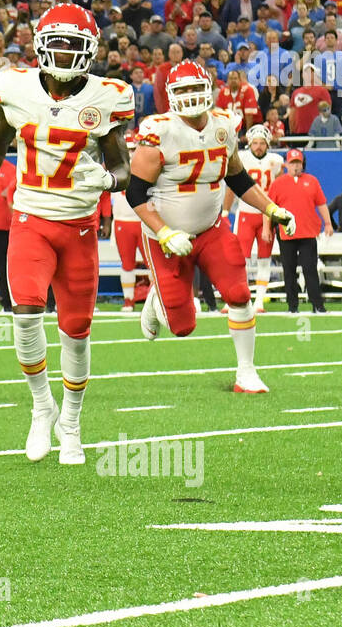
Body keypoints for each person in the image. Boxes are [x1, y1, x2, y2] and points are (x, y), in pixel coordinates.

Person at [0, 2, 133, 465]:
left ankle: (71, 423)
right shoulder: (14, 85)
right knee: (26, 312)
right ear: (39, 46)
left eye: (76, 46)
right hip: (30, 215)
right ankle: (41, 405)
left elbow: (124, 167)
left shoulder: (107, 95)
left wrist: (109, 181)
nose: (67, 53)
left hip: (78, 225)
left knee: (76, 330)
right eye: (59, 44)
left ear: (91, 51)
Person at [131, 60, 296, 393]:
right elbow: (135, 193)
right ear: (170, 96)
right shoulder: (159, 130)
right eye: (183, 90)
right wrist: (165, 232)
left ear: (209, 89)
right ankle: (156, 299)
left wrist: (272, 207)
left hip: (210, 227)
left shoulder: (224, 124)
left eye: (195, 88)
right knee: (182, 326)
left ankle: (246, 372)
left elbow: (236, 176)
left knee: (238, 293)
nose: (191, 96)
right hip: (164, 236)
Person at [225, 123, 283, 312]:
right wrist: (225, 212)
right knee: (239, 259)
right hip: (246, 214)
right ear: (249, 143)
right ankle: (236, 299)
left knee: (265, 259)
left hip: (267, 215)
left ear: (267, 144)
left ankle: (259, 301)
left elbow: (280, 189)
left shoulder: (276, 161)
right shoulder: (241, 159)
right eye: (255, 143)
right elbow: (231, 188)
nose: (258, 146)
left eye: (262, 143)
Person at [265, 149, 331, 315]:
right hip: (287, 233)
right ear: (286, 164)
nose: (295, 166)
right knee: (289, 270)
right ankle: (292, 306)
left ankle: (318, 305)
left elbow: (321, 203)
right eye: (293, 163)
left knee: (310, 269)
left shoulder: (312, 181)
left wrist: (328, 223)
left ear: (303, 164)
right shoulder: (278, 183)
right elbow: (269, 208)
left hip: (308, 232)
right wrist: (266, 228)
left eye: (298, 163)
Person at [110, 130, 145, 311]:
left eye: (133, 148)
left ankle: (157, 297)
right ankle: (129, 300)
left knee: (152, 261)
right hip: (123, 220)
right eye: (128, 148)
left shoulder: (145, 164)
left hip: (142, 220)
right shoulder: (113, 165)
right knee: (127, 263)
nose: (131, 153)